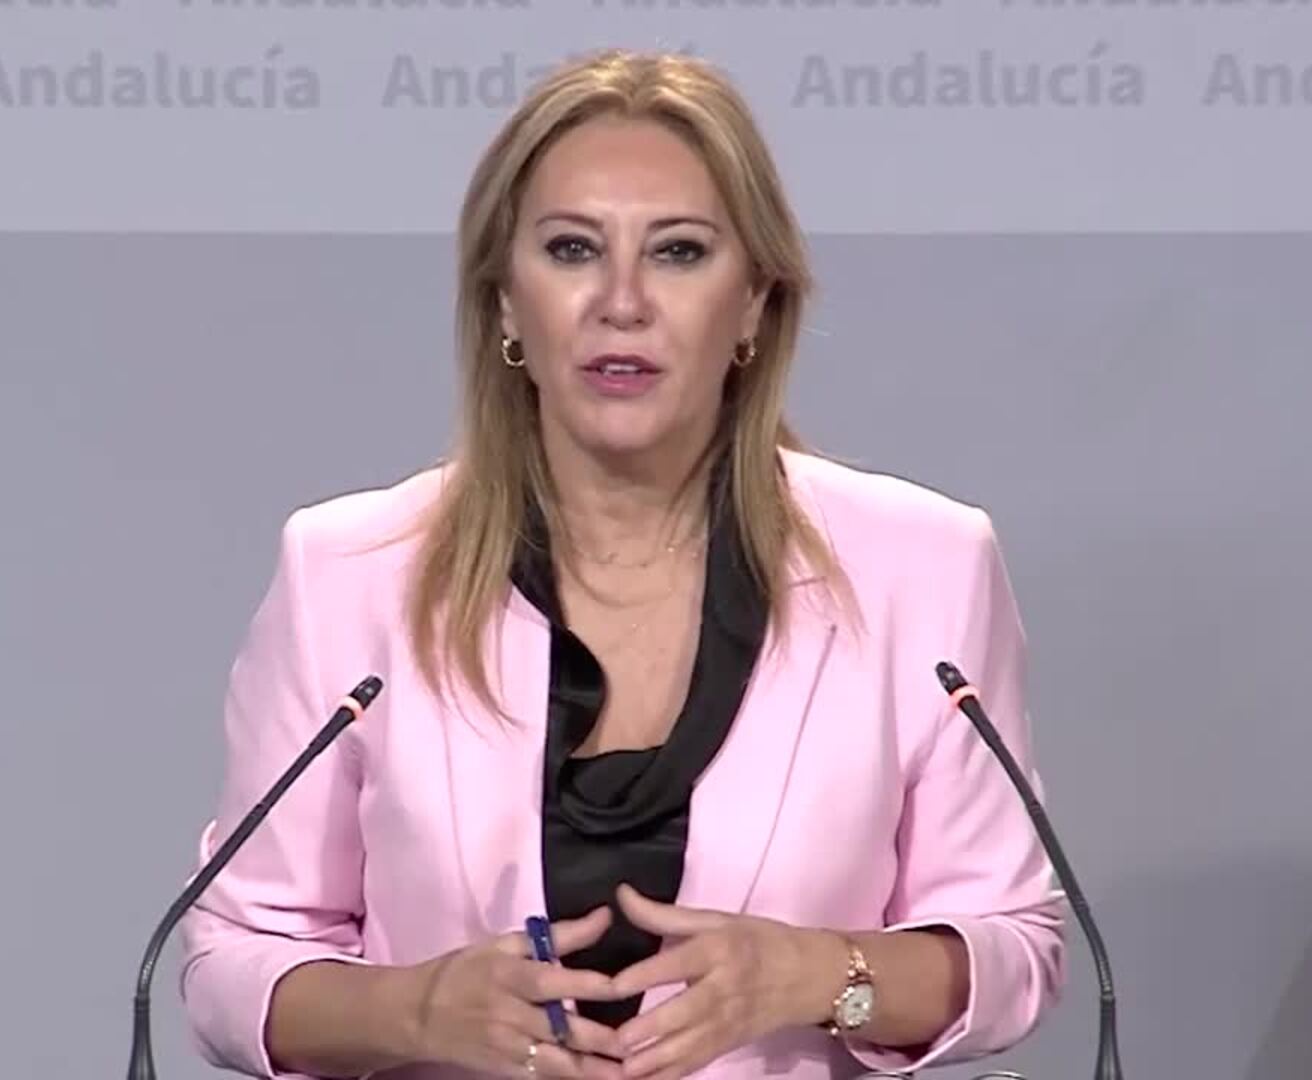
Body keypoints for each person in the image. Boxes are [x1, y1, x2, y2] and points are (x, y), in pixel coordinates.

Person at [178, 48, 1066, 1080]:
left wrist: (818, 973)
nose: (623, 301)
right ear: (505, 303)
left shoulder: (922, 566)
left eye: (679, 252)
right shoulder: (350, 572)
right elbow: (229, 960)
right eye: (572, 250)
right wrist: (412, 1011)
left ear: (753, 303)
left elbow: (1016, 947)